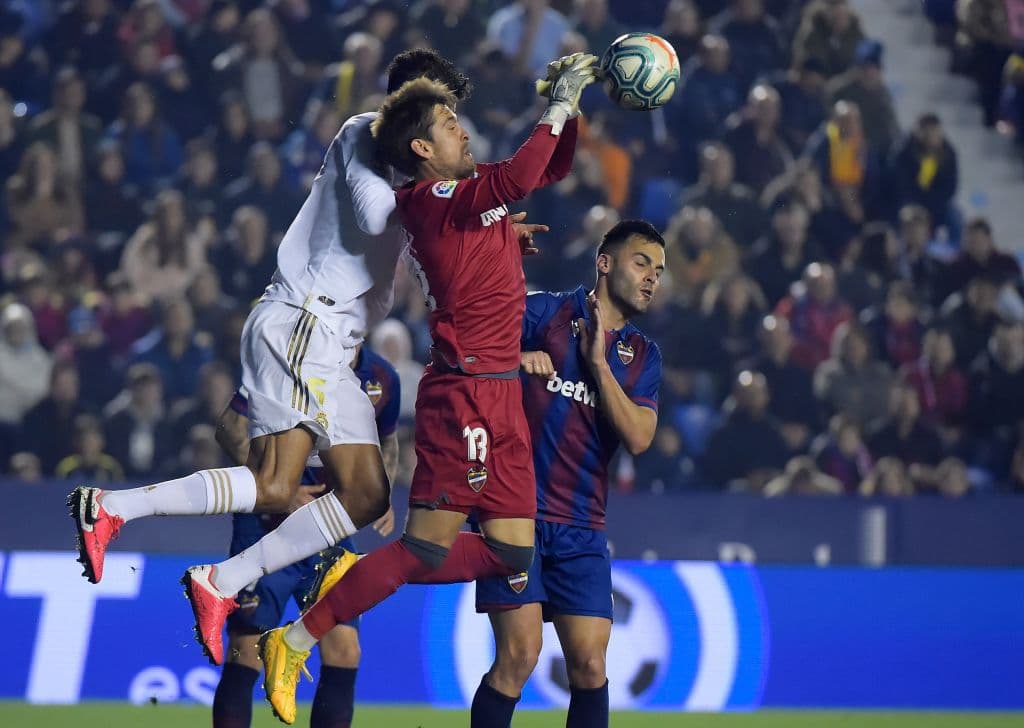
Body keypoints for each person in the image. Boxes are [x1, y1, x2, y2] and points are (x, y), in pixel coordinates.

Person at [68, 50, 478, 668]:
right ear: (411, 116)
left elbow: (417, 257)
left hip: (332, 344)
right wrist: (447, 198)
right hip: (303, 321)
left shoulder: (416, 187)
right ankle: (112, 509)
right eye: (443, 113)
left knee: (365, 495)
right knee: (274, 484)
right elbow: (375, 214)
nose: (454, 124)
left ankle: (221, 582)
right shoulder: (362, 135)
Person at [255, 54, 599, 725]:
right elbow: (522, 171)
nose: (462, 132)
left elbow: (550, 168)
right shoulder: (429, 200)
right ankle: (296, 637)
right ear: (421, 150)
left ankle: (326, 604)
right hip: (464, 395)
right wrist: (556, 103)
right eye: (449, 125)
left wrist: (572, 111)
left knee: (512, 553)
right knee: (425, 550)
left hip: (502, 397)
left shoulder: (467, 201)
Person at [470, 219, 664, 728]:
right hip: (514, 514)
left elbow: (640, 438)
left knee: (591, 665)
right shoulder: (544, 312)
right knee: (520, 656)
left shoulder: (642, 356)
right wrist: (515, 359)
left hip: (582, 526)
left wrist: (597, 366)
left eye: (659, 271)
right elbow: (462, 357)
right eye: (641, 262)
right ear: (604, 263)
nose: (652, 278)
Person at [212, 344, 400, 728]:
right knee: (246, 650)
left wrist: (380, 492)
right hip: (266, 526)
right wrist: (277, 485)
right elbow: (230, 427)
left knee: (344, 649)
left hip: (330, 528)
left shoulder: (381, 377)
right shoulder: (284, 359)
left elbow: (389, 439)